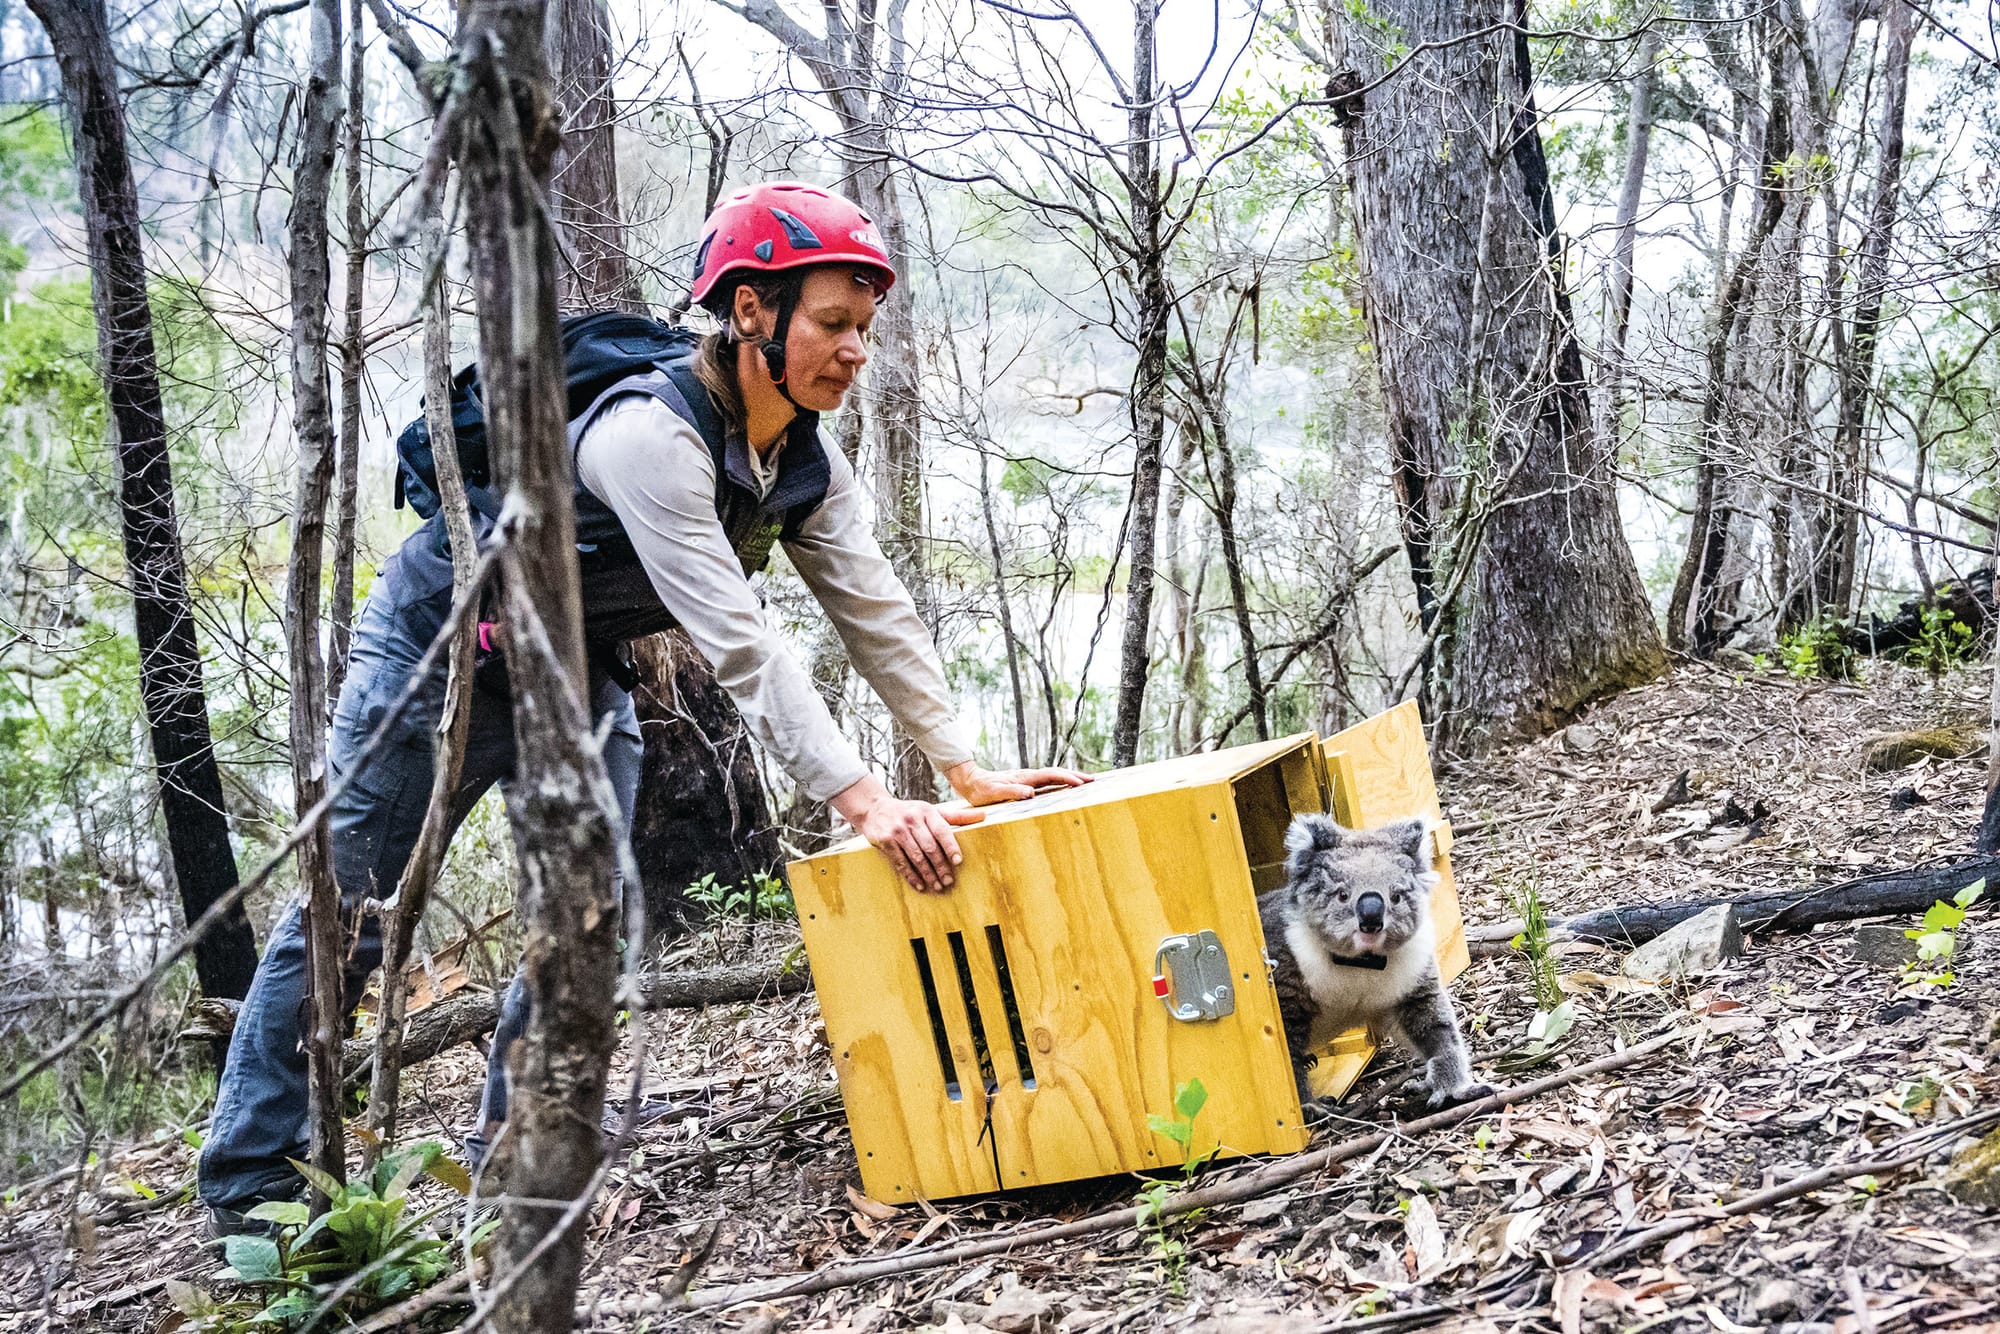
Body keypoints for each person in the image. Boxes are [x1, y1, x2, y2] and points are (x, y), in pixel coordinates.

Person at [197, 181, 1087, 1232]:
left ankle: (516, 1171)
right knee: (348, 913)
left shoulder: (802, 459)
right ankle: (253, 1187)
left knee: (584, 924)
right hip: (442, 653)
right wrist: (864, 802)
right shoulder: (648, 438)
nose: (854, 350)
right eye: (831, 323)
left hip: (574, 667)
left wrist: (961, 765)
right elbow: (741, 644)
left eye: (863, 327)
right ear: (751, 312)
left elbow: (874, 608)